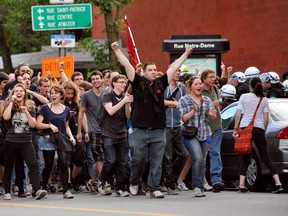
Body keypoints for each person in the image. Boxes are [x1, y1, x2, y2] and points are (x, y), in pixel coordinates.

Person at [111, 41, 192, 198]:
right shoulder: (137, 82)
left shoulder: (161, 82)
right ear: (144, 72)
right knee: (138, 160)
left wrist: (186, 54)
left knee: (157, 161)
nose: (154, 72)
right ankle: (134, 182)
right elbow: (127, 65)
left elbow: (174, 67)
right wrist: (116, 51)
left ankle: (154, 188)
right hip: (139, 131)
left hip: (158, 130)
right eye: (151, 70)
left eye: (155, 70)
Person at [233, 77, 284, 193]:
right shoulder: (263, 99)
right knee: (266, 157)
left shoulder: (244, 97)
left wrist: (236, 129)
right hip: (259, 129)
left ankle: (241, 185)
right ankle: (278, 183)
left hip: (245, 128)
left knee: (245, 157)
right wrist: (263, 130)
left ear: (250, 86)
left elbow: (238, 114)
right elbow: (266, 119)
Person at [2, 83, 47, 200]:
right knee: (9, 166)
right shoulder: (9, 104)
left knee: (33, 164)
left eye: (21, 91)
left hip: (26, 141)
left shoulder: (30, 106)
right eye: (16, 91)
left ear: (24, 93)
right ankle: (7, 191)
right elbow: (6, 117)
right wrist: (11, 103)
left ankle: (37, 190)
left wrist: (26, 111)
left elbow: (33, 125)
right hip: (11, 141)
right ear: (13, 93)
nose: (18, 93)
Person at [178, 76, 216, 197]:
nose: (199, 86)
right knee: (198, 158)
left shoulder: (206, 100)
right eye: (196, 84)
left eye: (200, 84)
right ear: (190, 87)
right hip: (190, 134)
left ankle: (200, 186)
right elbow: (184, 118)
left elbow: (211, 116)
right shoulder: (184, 100)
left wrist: (211, 115)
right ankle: (197, 186)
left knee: (202, 161)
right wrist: (193, 111)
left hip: (205, 133)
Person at [36, 85, 76, 199]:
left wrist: (71, 137)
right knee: (49, 165)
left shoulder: (66, 110)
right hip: (48, 138)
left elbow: (67, 126)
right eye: (51, 93)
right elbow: (37, 125)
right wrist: (49, 125)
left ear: (61, 95)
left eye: (55, 93)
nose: (53, 95)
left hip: (62, 139)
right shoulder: (45, 108)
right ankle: (43, 188)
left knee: (64, 163)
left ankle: (66, 191)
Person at [97, 75, 133, 197]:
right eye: (121, 82)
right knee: (110, 160)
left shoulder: (124, 97)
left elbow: (128, 117)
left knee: (123, 162)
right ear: (114, 84)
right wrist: (123, 101)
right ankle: (101, 181)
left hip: (122, 134)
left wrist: (127, 105)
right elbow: (110, 111)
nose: (124, 84)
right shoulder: (107, 95)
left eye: (125, 82)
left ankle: (119, 187)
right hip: (109, 134)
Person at [77, 71, 105, 194]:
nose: (95, 81)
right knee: (100, 158)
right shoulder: (87, 95)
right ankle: (104, 183)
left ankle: (93, 181)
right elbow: (81, 113)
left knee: (105, 159)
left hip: (108, 130)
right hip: (94, 130)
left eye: (97, 78)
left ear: (102, 79)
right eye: (93, 79)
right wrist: (80, 132)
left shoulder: (108, 93)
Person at [163, 68, 189, 195]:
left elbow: (183, 104)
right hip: (165, 126)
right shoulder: (163, 86)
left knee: (184, 154)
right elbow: (159, 102)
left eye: (179, 71)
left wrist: (176, 104)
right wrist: (172, 104)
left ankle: (170, 177)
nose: (178, 73)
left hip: (178, 126)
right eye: (176, 71)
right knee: (167, 156)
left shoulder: (182, 87)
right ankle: (169, 185)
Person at [201, 69, 225, 192]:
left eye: (213, 76)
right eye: (210, 77)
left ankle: (216, 180)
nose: (212, 79)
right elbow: (198, 108)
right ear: (203, 78)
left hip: (216, 126)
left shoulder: (215, 89)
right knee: (202, 156)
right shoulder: (199, 90)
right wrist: (211, 104)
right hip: (204, 127)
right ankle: (200, 181)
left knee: (215, 153)